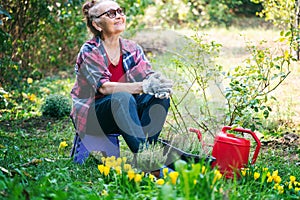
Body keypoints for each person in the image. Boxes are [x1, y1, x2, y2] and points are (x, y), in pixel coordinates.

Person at [69, 0, 173, 167]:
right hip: (94, 117)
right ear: (97, 25)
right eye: (111, 14)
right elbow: (104, 87)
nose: (118, 16)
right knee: (122, 97)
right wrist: (144, 86)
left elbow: (147, 74)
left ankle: (144, 156)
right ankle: (148, 161)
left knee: (160, 98)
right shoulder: (90, 50)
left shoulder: (132, 48)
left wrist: (156, 82)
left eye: (120, 11)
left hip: (125, 111)